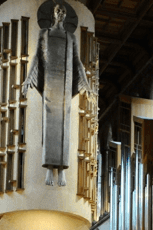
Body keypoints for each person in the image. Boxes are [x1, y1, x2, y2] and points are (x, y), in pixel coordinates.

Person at [21, 1, 90, 187]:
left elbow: (77, 61)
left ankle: (62, 171)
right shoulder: (45, 33)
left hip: (65, 83)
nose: (60, 13)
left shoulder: (71, 37)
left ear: (66, 16)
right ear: (53, 14)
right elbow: (36, 56)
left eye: (63, 11)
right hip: (50, 82)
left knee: (64, 127)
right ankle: (49, 169)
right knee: (49, 126)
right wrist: (29, 78)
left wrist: (86, 82)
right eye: (57, 10)